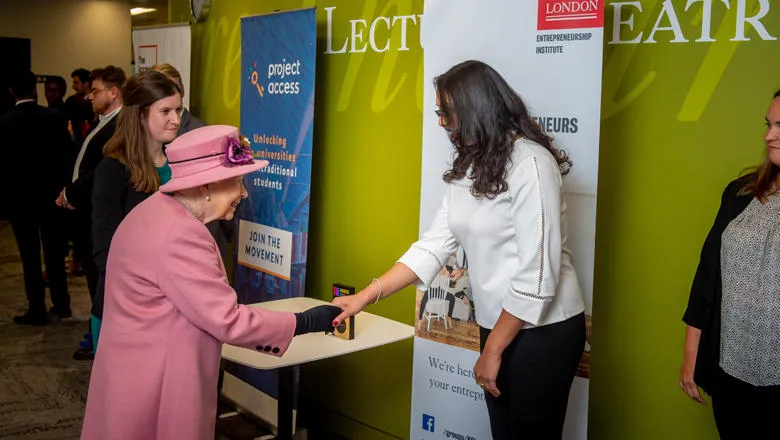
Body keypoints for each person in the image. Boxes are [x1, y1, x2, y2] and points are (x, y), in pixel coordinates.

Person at [332, 60, 586, 439]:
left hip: (543, 332)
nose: (440, 122)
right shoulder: (471, 166)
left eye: (445, 112)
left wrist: (493, 351)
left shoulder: (531, 164)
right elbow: (433, 246)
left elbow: (537, 277)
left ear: (476, 107)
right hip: (496, 326)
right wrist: (365, 297)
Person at [80, 125, 341, 440]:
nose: (244, 193)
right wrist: (305, 322)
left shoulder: (150, 211)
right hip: (161, 384)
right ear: (207, 186)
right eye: (238, 182)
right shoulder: (181, 234)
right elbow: (228, 320)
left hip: (129, 373)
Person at [680, 89, 780, 439]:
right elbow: (708, 273)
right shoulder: (742, 192)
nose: (769, 135)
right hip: (730, 370)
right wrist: (692, 352)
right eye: (768, 125)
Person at [89, 70, 182, 350]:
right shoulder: (114, 169)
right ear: (139, 114)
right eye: (165, 111)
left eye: (178, 109)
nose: (176, 119)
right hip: (126, 310)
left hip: (174, 306)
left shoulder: (181, 163)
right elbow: (105, 252)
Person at [56, 65, 126, 360]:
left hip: (104, 216)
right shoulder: (103, 121)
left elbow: (102, 172)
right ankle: (98, 332)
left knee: (102, 283)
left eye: (95, 92)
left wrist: (71, 193)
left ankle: (105, 340)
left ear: (113, 92)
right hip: (90, 213)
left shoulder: (120, 126)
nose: (90, 97)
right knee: (95, 281)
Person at [0, 70, 73, 325]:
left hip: (19, 200)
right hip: (51, 195)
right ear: (34, 89)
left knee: (29, 255)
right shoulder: (54, 118)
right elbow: (67, 155)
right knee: (54, 251)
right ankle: (62, 303)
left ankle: (37, 307)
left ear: (12, 91)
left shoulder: (5, 123)